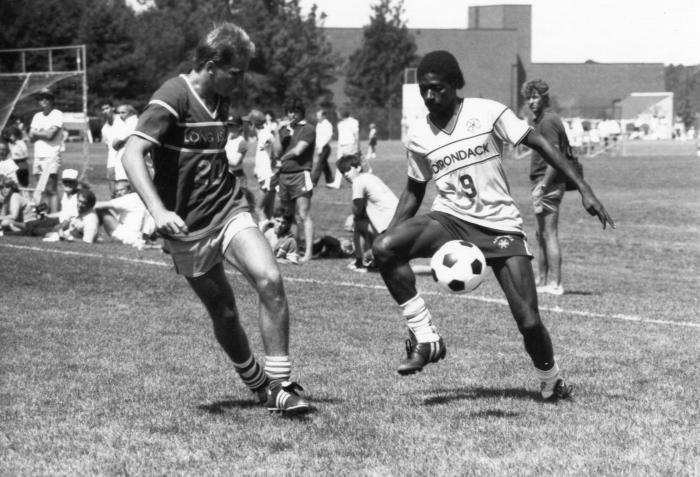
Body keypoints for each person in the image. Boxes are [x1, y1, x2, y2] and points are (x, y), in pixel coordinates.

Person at [371, 50, 615, 401]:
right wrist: (387, 232)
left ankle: (550, 380)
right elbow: (414, 189)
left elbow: (540, 142)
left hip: (500, 226)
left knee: (529, 321)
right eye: (424, 89)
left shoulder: (486, 111)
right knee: (385, 248)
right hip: (450, 219)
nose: (429, 96)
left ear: (455, 85)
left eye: (437, 88)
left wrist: (584, 189)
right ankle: (426, 337)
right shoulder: (418, 136)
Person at [121, 22, 311, 414]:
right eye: (235, 72)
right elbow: (131, 153)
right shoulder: (173, 95)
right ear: (211, 65)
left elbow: (214, 161)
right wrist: (158, 211)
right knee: (223, 311)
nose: (240, 82)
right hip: (188, 227)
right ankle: (259, 384)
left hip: (228, 210)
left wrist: (248, 204)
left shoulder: (222, 98)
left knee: (270, 279)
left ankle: (281, 384)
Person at [522, 79, 572, 296]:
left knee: (549, 233)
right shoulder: (541, 120)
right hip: (541, 182)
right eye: (528, 98)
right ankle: (542, 280)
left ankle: (555, 283)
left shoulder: (549, 121)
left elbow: (556, 158)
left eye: (535, 97)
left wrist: (543, 184)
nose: (531, 102)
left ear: (544, 97)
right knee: (540, 234)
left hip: (548, 182)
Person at [336, 154, 398, 273]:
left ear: (358, 167)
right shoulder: (370, 177)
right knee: (363, 222)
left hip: (389, 230)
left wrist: (351, 217)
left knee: (358, 223)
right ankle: (372, 259)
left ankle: (361, 262)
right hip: (399, 223)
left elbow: (357, 209)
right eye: (343, 172)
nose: (345, 174)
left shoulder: (358, 181)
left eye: (348, 170)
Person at [276, 96, 316, 263]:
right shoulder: (283, 130)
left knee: (303, 215)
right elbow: (277, 151)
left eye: (295, 111)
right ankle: (293, 249)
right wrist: (276, 133)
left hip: (300, 174)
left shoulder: (308, 129)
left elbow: (299, 151)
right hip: (283, 176)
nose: (291, 114)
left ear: (301, 112)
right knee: (288, 215)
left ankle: (308, 252)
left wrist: (281, 160)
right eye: (289, 111)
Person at [28, 87, 64, 213]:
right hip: (38, 156)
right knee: (39, 190)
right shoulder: (37, 116)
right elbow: (30, 137)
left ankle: (54, 217)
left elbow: (50, 135)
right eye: (40, 98)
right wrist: (42, 132)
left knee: (51, 189)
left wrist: (38, 133)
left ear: (51, 99)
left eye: (45, 97)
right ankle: (43, 216)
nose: (42, 100)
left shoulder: (57, 114)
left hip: (51, 156)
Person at [94, 180, 155, 248]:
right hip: (137, 238)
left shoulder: (128, 198)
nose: (119, 193)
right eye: (116, 191)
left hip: (126, 236)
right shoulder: (140, 198)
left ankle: (90, 234)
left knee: (102, 210)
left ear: (129, 190)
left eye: (121, 190)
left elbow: (98, 205)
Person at [244, 109, 279, 225]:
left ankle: (267, 236)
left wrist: (272, 141)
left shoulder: (265, 134)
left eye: (249, 124)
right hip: (268, 177)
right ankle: (274, 240)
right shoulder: (262, 135)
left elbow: (275, 146)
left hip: (267, 177)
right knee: (269, 213)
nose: (248, 127)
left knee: (258, 209)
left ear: (253, 124)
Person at [224, 114, 255, 212]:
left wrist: (221, 156)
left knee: (240, 206)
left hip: (237, 176)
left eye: (232, 126)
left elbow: (235, 162)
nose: (230, 128)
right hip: (225, 175)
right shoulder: (226, 140)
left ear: (239, 127)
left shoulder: (242, 142)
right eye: (228, 126)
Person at [100, 100, 120, 196]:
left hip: (123, 158)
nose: (105, 111)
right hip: (112, 159)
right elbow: (107, 146)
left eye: (107, 108)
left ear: (113, 108)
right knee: (111, 182)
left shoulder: (121, 121)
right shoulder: (104, 128)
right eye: (103, 109)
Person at [310, 109, 335, 187]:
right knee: (324, 164)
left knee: (319, 164)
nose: (317, 117)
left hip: (325, 147)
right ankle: (330, 180)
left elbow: (329, 136)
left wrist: (322, 146)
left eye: (319, 116)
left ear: (323, 116)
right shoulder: (318, 124)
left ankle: (313, 181)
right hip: (320, 147)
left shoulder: (327, 124)